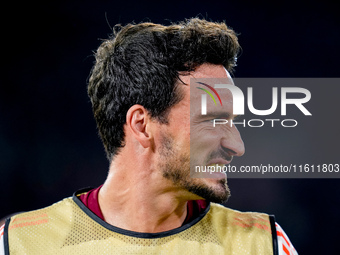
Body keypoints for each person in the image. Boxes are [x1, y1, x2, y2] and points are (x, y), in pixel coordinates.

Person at [0, 18, 298, 254]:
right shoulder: (19, 244)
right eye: (213, 121)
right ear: (142, 125)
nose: (237, 146)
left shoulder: (263, 245)